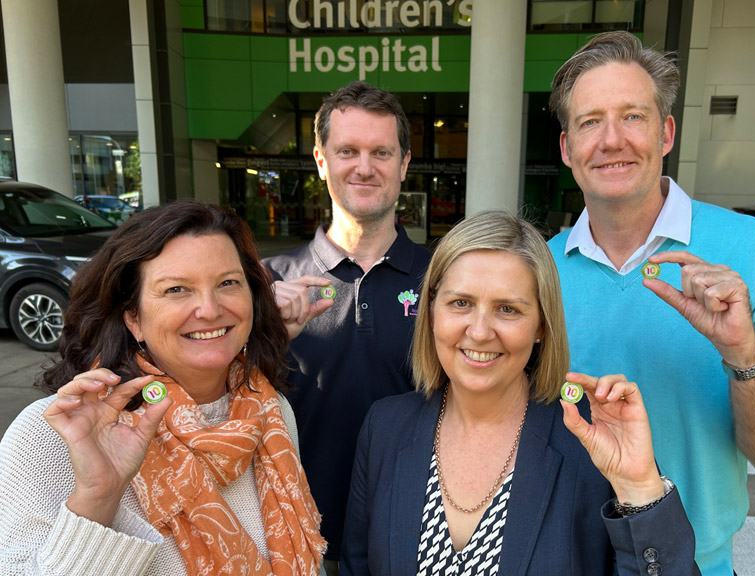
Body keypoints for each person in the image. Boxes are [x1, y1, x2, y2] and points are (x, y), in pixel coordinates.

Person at [546, 31, 755, 575]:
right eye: (589, 122)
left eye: (632, 116)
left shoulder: (752, 252)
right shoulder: (539, 271)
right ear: (566, 148)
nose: (611, 140)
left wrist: (744, 353)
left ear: (666, 132)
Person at [341, 210, 701, 576]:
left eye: (507, 309)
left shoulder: (592, 440)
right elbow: (358, 567)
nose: (479, 332)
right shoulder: (384, 427)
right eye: (461, 302)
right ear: (432, 309)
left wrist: (639, 488)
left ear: (541, 325)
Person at [0, 202, 326, 575]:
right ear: (134, 318)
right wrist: (97, 500)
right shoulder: (54, 434)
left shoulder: (269, 409)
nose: (209, 308)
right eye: (176, 289)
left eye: (227, 283)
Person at [263, 81, 431, 572]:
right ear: (321, 160)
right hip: (297, 537)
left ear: (403, 165)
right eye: (347, 151)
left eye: (382, 152)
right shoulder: (268, 283)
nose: (364, 166)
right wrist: (262, 339)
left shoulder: (445, 279)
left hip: (415, 531)